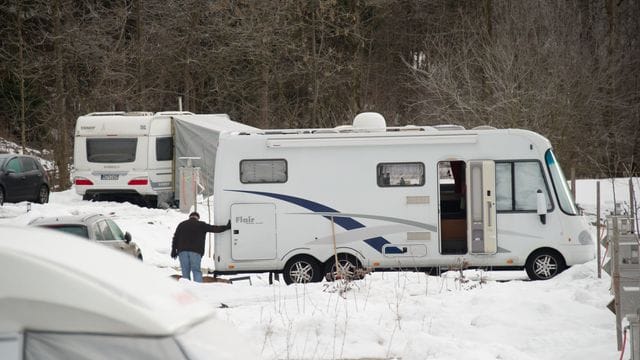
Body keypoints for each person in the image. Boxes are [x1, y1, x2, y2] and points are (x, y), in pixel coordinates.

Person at [171, 212, 231, 282]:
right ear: (197, 218)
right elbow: (214, 228)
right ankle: (198, 288)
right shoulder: (201, 224)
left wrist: (173, 250)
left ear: (190, 217)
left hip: (182, 251)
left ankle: (186, 288)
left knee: (185, 272)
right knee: (196, 271)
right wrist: (226, 227)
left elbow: (175, 238)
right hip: (195, 252)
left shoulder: (181, 224)